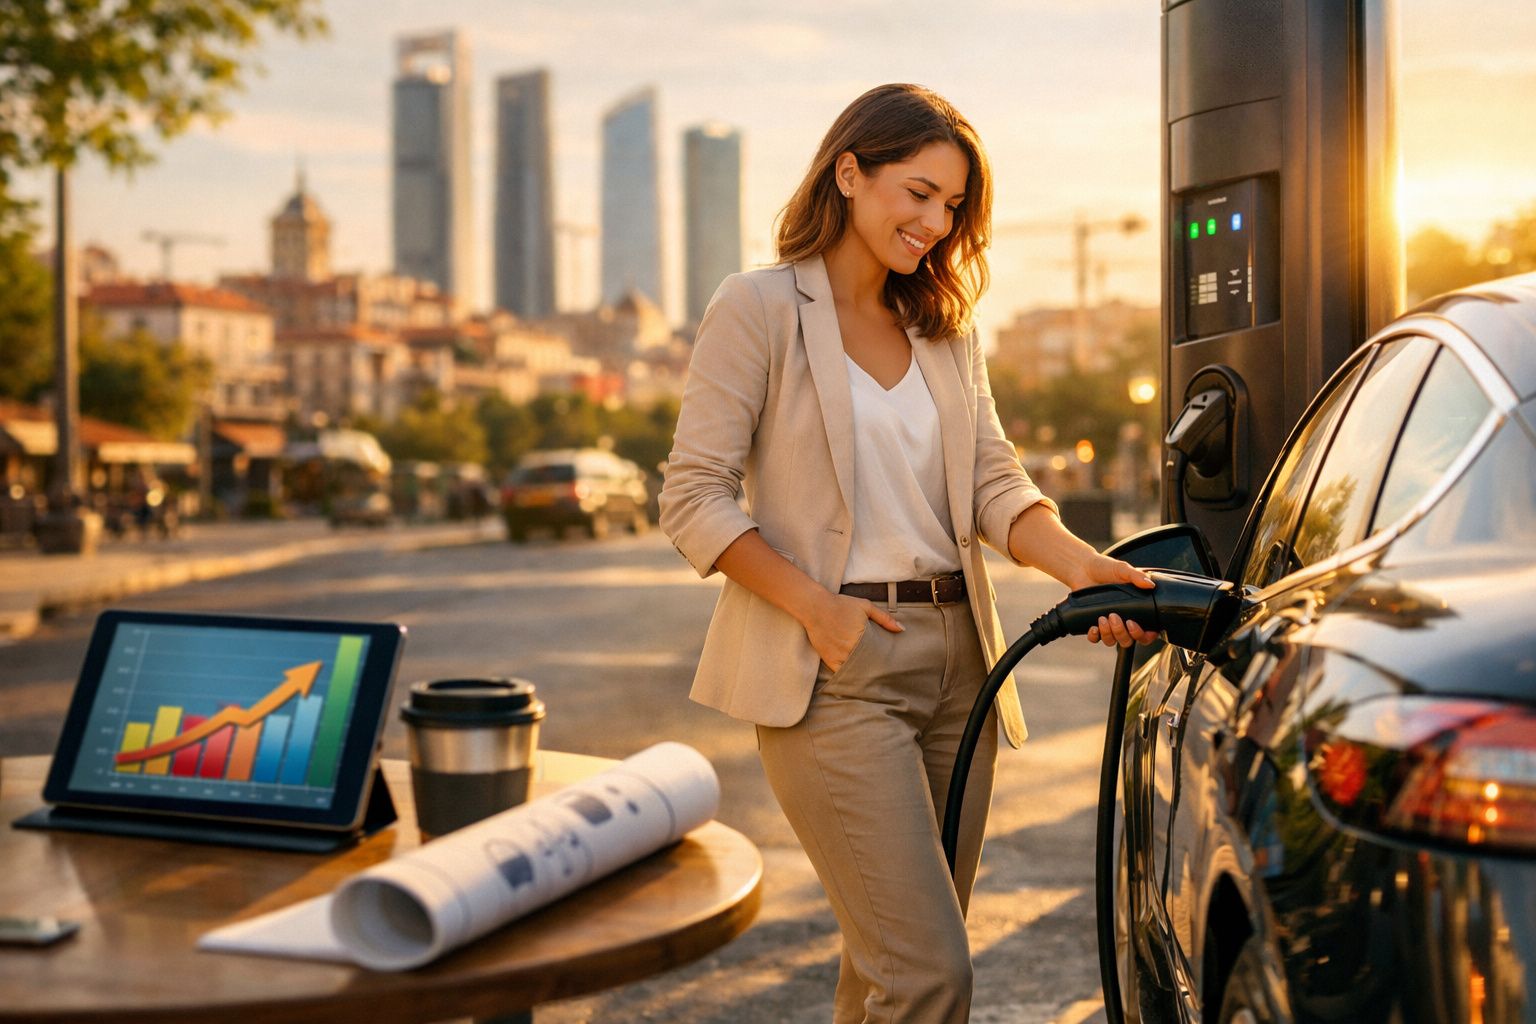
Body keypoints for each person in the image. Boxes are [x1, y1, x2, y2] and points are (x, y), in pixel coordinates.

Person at [659, 83, 1157, 1023]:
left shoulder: (946, 328)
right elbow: (691, 497)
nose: (935, 222)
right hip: (836, 668)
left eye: (953, 206)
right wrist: (817, 609)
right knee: (929, 973)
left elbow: (992, 486)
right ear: (849, 173)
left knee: (887, 969)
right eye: (917, 192)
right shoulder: (759, 307)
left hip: (964, 667)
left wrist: (1081, 564)